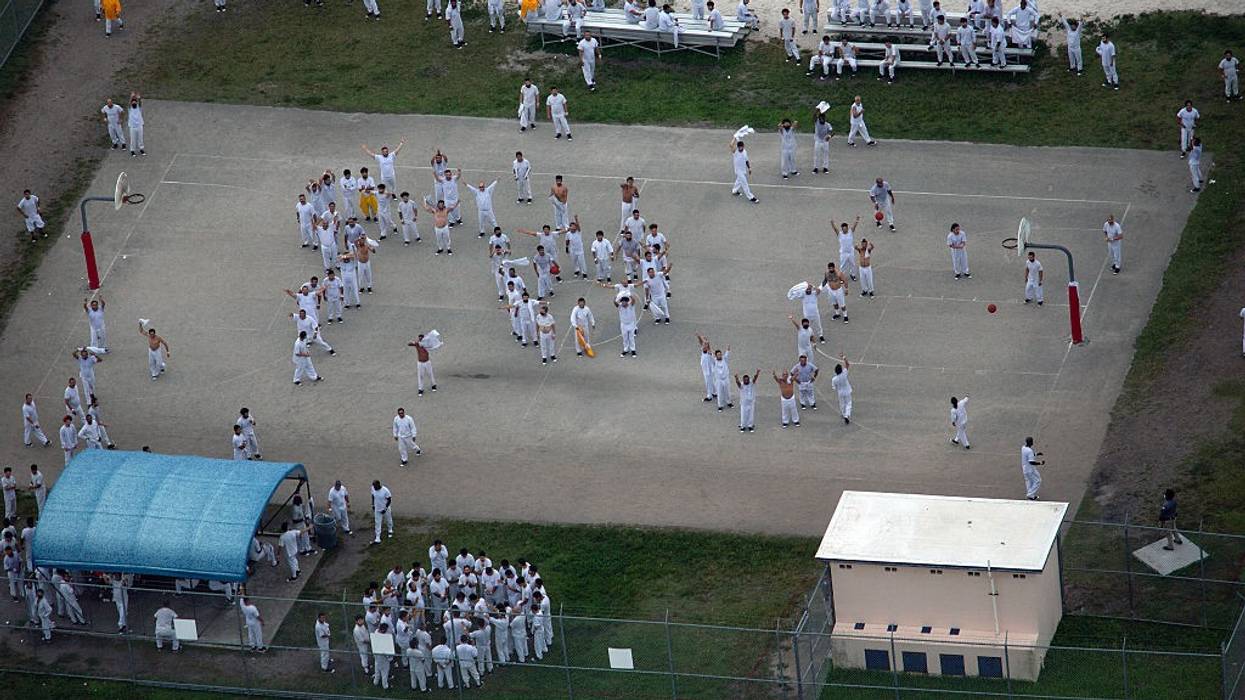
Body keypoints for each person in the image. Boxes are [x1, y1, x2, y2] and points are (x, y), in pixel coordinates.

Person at [730, 137, 758, 203]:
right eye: (739, 147)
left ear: (743, 146)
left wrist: (749, 168)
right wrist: (734, 138)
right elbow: (731, 145)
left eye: (741, 147)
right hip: (738, 171)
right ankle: (751, 197)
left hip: (743, 170)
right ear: (737, 147)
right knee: (744, 183)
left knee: (739, 180)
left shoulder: (745, 152)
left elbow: (746, 160)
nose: (740, 148)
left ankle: (734, 191)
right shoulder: (735, 152)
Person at [831, 355, 852, 424]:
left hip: (840, 392)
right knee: (848, 403)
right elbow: (847, 364)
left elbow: (834, 388)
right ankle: (847, 415)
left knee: (842, 403)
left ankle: (843, 414)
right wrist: (844, 358)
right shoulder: (844, 374)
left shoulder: (834, 379)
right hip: (847, 391)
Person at [812, 105, 833, 173]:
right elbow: (814, 116)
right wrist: (817, 109)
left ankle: (825, 168)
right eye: (820, 118)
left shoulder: (827, 125)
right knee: (816, 154)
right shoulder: (817, 122)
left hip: (825, 141)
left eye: (823, 118)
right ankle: (815, 168)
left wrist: (829, 136)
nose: (822, 120)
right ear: (819, 118)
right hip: (817, 141)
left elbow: (831, 131)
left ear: (825, 118)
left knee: (825, 154)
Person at [127, 92, 144, 156]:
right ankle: (132, 150)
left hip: (139, 126)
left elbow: (140, 103)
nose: (134, 103)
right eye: (132, 102)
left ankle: (141, 149)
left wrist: (138, 98)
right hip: (132, 127)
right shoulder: (130, 109)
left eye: (135, 102)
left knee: (140, 138)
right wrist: (131, 97)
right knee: (133, 139)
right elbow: (128, 104)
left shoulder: (139, 108)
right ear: (131, 103)